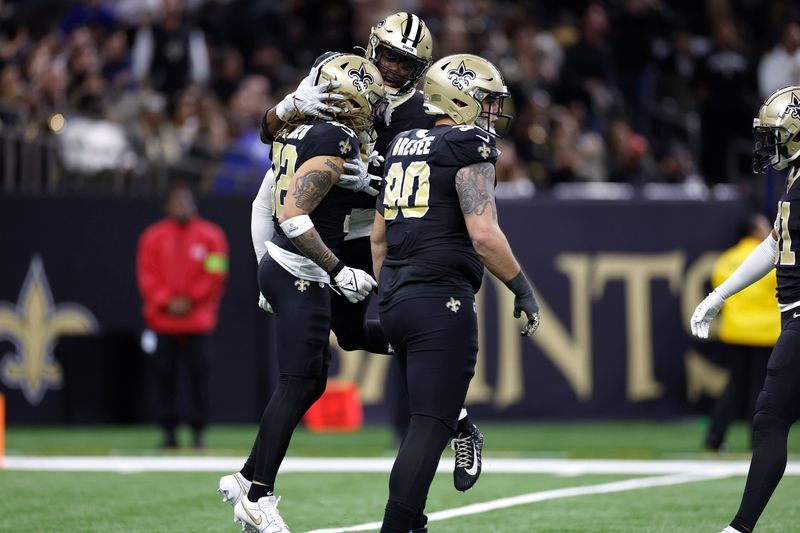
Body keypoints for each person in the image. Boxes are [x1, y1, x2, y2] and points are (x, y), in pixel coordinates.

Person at [248, 11, 486, 493]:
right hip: (311, 217)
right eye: (391, 56)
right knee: (343, 341)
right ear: (374, 47)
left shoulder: (423, 110)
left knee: (373, 328)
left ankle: (452, 413)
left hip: (370, 228)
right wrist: (292, 103)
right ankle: (454, 412)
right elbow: (267, 134)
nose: (395, 69)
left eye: (406, 62)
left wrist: (375, 182)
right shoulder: (336, 73)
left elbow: (421, 188)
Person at [371, 54, 541, 533]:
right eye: (485, 100)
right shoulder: (470, 143)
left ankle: (419, 512)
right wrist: (521, 289)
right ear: (460, 96)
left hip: (398, 294)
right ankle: (397, 526)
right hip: (439, 298)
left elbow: (379, 237)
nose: (490, 112)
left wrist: (388, 293)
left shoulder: (404, 141)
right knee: (428, 424)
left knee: (426, 418)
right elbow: (483, 234)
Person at [222, 53, 387, 533]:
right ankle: (258, 496)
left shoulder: (294, 130)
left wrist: (263, 268)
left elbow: (262, 206)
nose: (373, 112)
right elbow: (293, 218)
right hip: (302, 271)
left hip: (286, 268)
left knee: (311, 381)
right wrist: (337, 271)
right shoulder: (333, 138)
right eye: (369, 102)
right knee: (298, 382)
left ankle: (249, 474)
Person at [690, 85, 800, 533]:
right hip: (792, 313)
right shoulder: (795, 180)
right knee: (771, 416)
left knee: (770, 416)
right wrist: (720, 295)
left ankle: (739, 528)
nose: (766, 143)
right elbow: (776, 243)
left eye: (774, 134)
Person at [135, 181, 228, 449]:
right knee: (165, 378)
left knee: (198, 378)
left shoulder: (212, 236)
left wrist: (190, 300)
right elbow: (146, 275)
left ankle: (198, 432)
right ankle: (169, 433)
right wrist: (166, 300)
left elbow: (216, 273)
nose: (182, 207)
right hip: (163, 322)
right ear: (167, 206)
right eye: (176, 202)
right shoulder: (152, 237)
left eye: (186, 201)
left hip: (198, 322)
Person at [703, 213, 780, 452]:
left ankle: (715, 437)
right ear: (753, 230)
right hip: (765, 331)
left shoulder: (726, 259)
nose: (767, 227)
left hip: (735, 330)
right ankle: (757, 441)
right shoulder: (769, 256)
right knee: (761, 387)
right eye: (763, 225)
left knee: (735, 385)